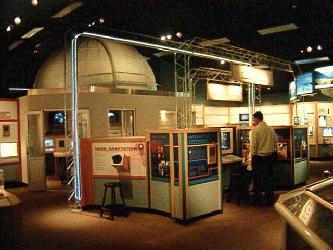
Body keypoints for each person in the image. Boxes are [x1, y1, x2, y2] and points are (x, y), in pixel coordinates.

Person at [250, 111, 277, 206]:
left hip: (258, 158)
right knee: (269, 179)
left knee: (257, 180)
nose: (253, 120)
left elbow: (253, 146)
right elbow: (275, 143)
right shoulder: (271, 130)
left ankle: (258, 200)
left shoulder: (255, 130)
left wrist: (252, 156)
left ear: (257, 118)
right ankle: (270, 200)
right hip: (270, 157)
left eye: (253, 118)